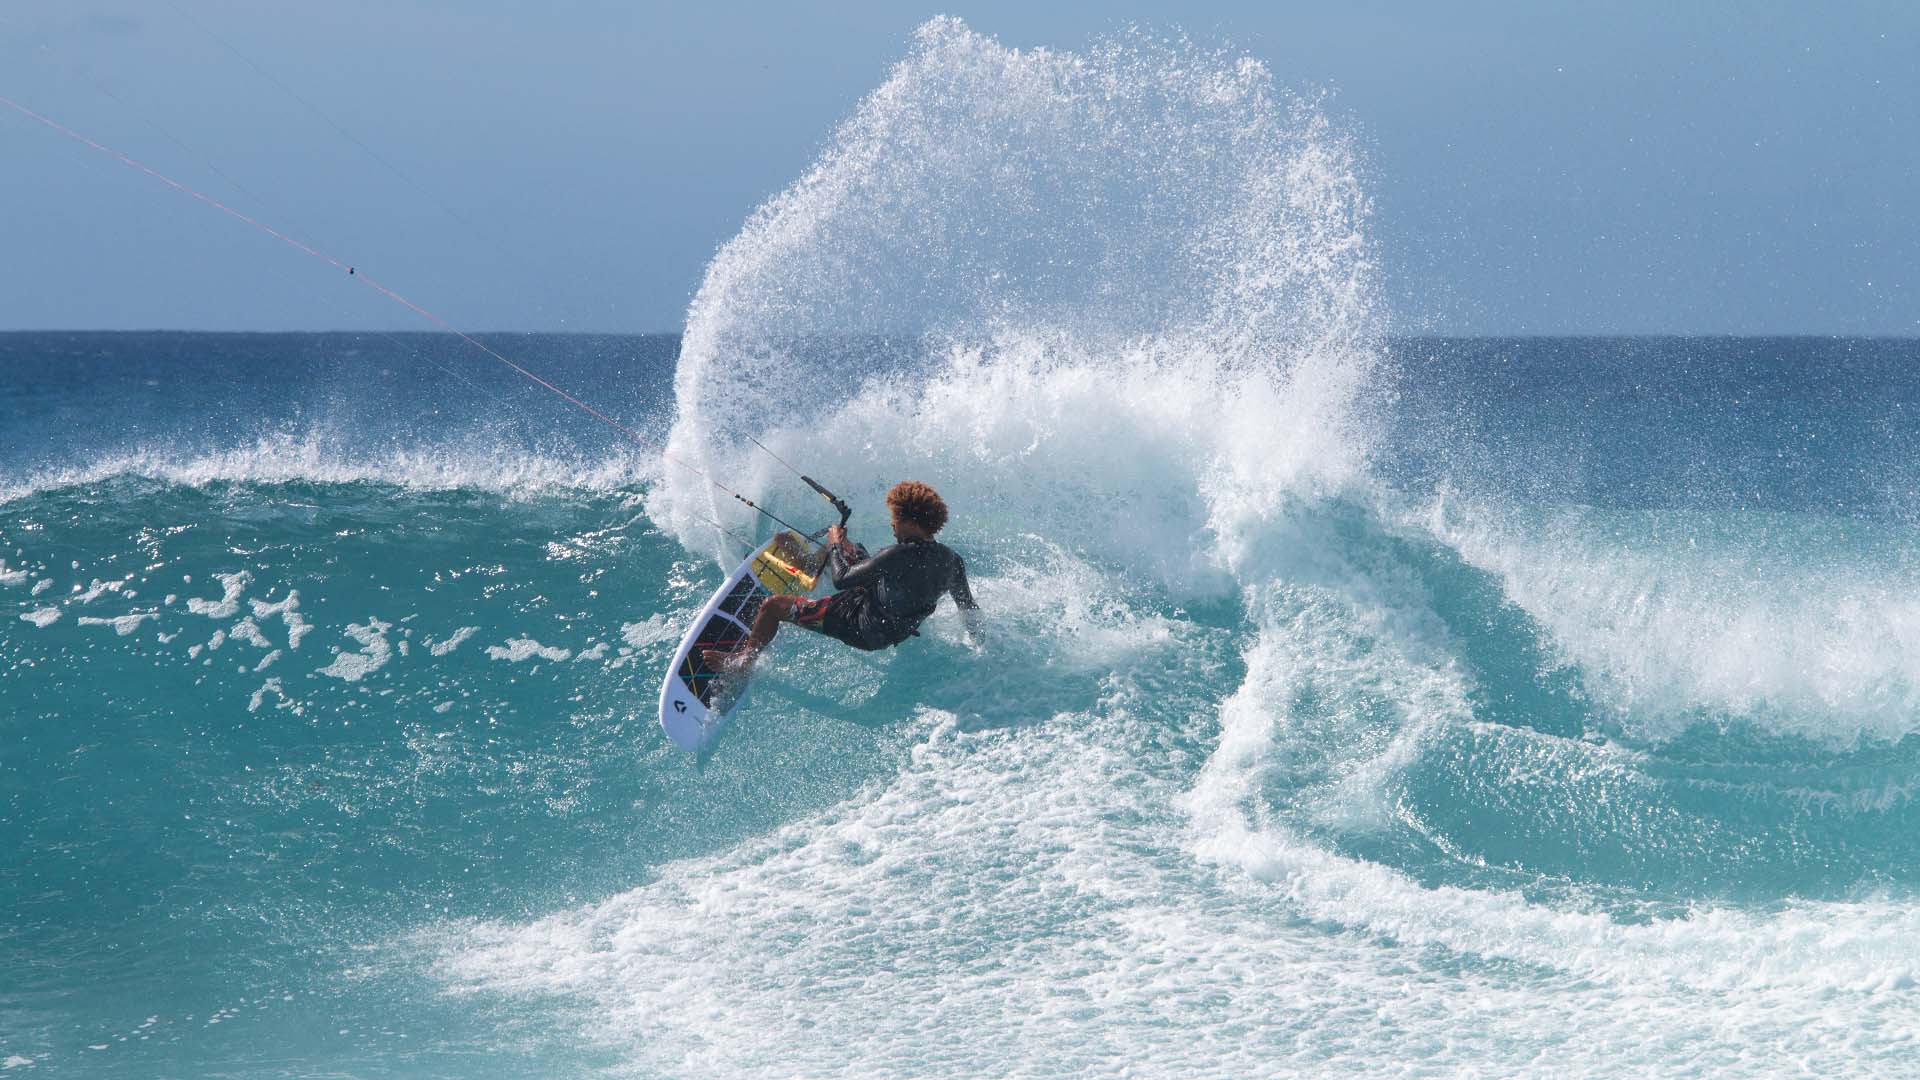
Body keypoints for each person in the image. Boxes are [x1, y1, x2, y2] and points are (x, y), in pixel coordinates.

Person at [702, 480, 980, 674]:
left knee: (772, 606)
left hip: (862, 626)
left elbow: (842, 580)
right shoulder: (951, 561)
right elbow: (968, 608)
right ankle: (812, 562)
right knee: (853, 549)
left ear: (910, 522)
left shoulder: (898, 555)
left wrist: (834, 542)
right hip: (898, 626)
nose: (892, 524)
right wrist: (979, 644)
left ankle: (743, 662)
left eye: (895, 519)